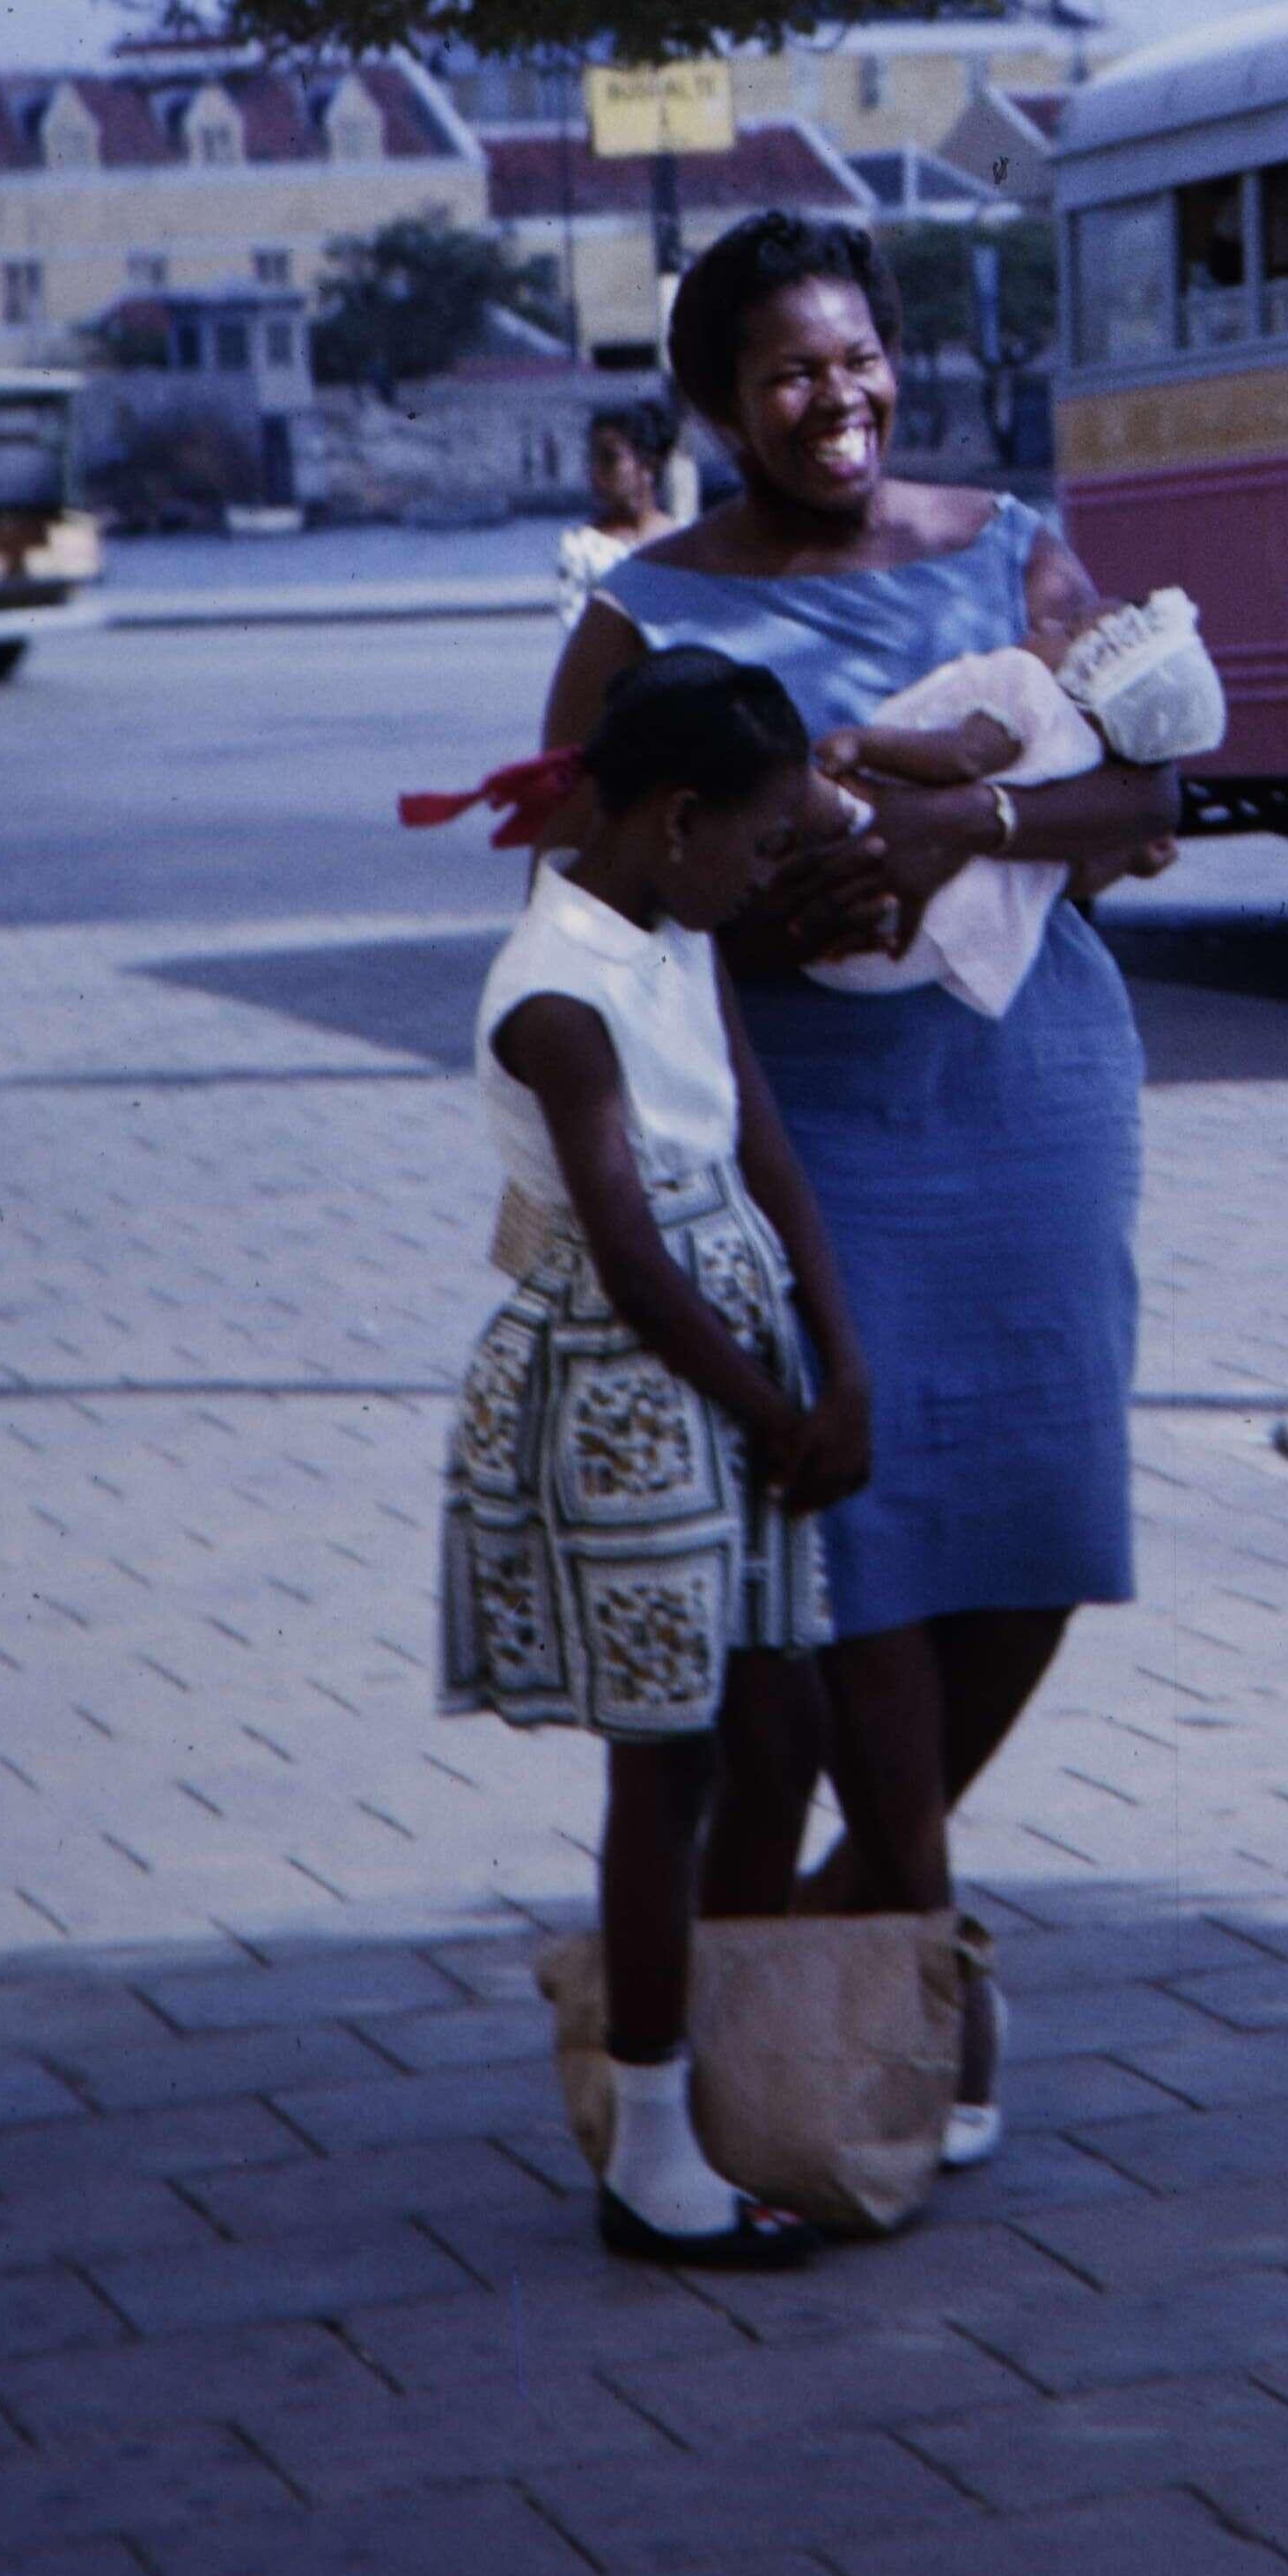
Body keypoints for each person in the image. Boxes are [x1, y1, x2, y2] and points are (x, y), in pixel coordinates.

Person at [537, 209, 1179, 2167]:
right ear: (718, 405)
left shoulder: (1010, 547)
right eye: (787, 374)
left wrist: (948, 825)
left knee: (1042, 1521)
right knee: (863, 1534)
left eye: (857, 359)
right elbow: (583, 891)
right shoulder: (640, 611)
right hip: (794, 1119)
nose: (837, 400)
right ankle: (926, 1962)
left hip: (1031, 1093)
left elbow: (1148, 794)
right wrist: (758, 914)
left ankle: (846, 1918)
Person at [438, 641, 873, 2270]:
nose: (770, 876)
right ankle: (652, 2146)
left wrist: (842, 1364)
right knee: (667, 1763)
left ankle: (724, 2065)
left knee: (781, 1725)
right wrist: (780, 1414)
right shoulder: (559, 992)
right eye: (760, 844)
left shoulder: (674, 929)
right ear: (679, 819)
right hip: (630, 1391)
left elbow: (763, 1144)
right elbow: (625, 1255)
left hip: (740, 1366)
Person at [554, 400, 677, 615]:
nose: (596, 472)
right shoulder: (581, 547)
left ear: (648, 465)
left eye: (609, 459)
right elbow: (575, 622)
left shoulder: (684, 538)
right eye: (592, 460)